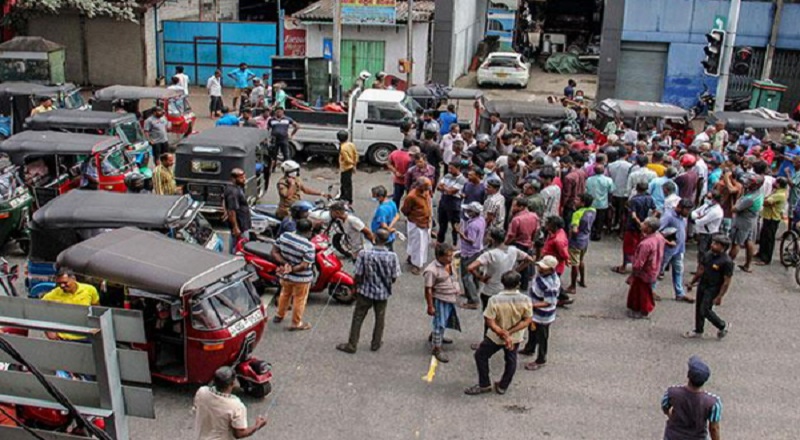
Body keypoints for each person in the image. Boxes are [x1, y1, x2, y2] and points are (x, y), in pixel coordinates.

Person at [464, 271, 533, 396]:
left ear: (502, 283)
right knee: (511, 360)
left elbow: (489, 320)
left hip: (495, 337)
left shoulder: (494, 300)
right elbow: (527, 320)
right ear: (518, 284)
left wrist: (501, 332)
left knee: (481, 355)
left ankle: (484, 384)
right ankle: (503, 386)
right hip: (515, 338)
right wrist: (509, 333)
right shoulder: (525, 299)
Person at [336, 229, 401, 353]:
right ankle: (376, 342)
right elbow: (394, 277)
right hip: (382, 293)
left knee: (358, 317)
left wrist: (355, 289)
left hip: (365, 291)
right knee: (380, 318)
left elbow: (358, 275)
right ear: (387, 241)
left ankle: (352, 344)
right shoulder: (392, 256)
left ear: (374, 238)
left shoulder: (364, 254)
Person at [193, 366, 267, 440]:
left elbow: (197, 408)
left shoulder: (202, 392)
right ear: (232, 383)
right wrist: (257, 426)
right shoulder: (236, 406)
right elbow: (239, 434)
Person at [684, 235, 733, 340]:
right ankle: (698, 330)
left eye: (716, 244)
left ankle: (722, 325)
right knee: (698, 308)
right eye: (713, 243)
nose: (712, 245)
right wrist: (692, 282)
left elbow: (726, 281)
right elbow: (700, 270)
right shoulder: (708, 255)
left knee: (705, 309)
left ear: (723, 247)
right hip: (703, 284)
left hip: (713, 288)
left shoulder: (727, 262)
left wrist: (720, 296)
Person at [660, 356, 722, 440]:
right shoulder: (713, 403)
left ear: (688, 375)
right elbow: (714, 428)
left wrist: (670, 415)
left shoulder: (672, 392)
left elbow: (664, 406)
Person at [271, 218, 316, 331]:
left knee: (285, 294)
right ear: (309, 231)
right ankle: (296, 323)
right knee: (299, 299)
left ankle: (279, 315)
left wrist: (285, 264)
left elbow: (274, 251)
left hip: (285, 275)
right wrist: (292, 269)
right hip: (301, 278)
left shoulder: (285, 236)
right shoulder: (309, 246)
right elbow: (304, 265)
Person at [423, 242, 462, 363]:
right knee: (439, 324)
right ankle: (437, 348)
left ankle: (436, 337)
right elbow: (428, 289)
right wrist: (430, 306)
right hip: (440, 299)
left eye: (451, 256)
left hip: (450, 298)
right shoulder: (431, 270)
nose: (450, 258)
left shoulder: (449, 265)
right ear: (439, 257)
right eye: (448, 256)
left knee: (444, 320)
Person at [520, 255, 560, 371]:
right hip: (535, 312)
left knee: (542, 336)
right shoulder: (541, 275)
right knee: (532, 330)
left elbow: (549, 302)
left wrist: (530, 305)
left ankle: (541, 359)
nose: (540, 269)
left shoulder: (551, 284)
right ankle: (530, 348)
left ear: (551, 269)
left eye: (543, 268)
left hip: (543, 315)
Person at [42, 268, 100, 340]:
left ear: (74, 279)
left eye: (65, 282)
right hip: (64, 338)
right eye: (59, 283)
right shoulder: (53, 295)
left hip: (87, 336)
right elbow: (39, 311)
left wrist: (96, 329)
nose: (62, 286)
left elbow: (97, 310)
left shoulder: (90, 290)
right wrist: (49, 332)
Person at [626, 217, 666, 319]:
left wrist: (633, 273)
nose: (642, 224)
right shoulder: (659, 237)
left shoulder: (646, 244)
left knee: (642, 293)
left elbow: (639, 263)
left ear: (649, 228)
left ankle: (642, 310)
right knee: (644, 290)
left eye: (644, 223)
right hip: (654, 268)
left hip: (644, 272)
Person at [658, 199, 695, 303]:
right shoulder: (668, 216)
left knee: (678, 270)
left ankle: (680, 293)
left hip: (679, 249)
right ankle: (650, 290)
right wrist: (667, 242)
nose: (688, 213)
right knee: (658, 270)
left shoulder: (683, 217)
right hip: (667, 249)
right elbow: (657, 231)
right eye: (686, 210)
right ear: (679, 207)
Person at [614, 182, 655, 274]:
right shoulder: (650, 198)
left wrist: (640, 223)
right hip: (644, 226)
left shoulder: (634, 200)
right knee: (640, 246)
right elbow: (656, 211)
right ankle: (639, 264)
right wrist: (648, 221)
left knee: (628, 247)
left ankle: (624, 266)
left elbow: (633, 215)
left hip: (633, 227)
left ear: (637, 189)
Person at [729, 174, 764, 273]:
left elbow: (734, 209)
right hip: (751, 220)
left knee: (736, 243)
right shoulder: (759, 192)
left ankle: (727, 264)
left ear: (756, 185)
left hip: (743, 221)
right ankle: (747, 265)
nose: (747, 184)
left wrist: (736, 199)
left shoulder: (750, 198)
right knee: (749, 241)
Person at [505, 197, 539, 291]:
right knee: (526, 264)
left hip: (518, 244)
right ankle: (525, 284)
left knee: (517, 266)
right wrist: (532, 241)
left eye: (514, 206)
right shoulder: (534, 216)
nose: (512, 208)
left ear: (521, 207)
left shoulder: (516, 219)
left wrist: (505, 244)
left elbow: (511, 236)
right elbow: (536, 231)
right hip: (528, 243)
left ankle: (516, 284)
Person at [401, 177, 433, 274]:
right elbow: (405, 210)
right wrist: (414, 217)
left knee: (421, 243)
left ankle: (411, 256)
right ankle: (417, 265)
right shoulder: (411, 196)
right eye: (427, 186)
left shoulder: (426, 193)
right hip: (416, 223)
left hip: (426, 222)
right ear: (420, 186)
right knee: (418, 244)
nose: (429, 188)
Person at [456, 202, 486, 306]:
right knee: (474, 274)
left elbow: (471, 240)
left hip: (469, 252)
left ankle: (473, 300)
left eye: (469, 210)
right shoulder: (481, 220)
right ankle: (472, 291)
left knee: (466, 276)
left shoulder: (473, 225)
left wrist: (460, 233)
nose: (467, 212)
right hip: (478, 250)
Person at [566, 193, 596, 293]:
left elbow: (574, 229)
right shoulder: (593, 210)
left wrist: (571, 235)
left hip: (576, 241)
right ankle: (582, 280)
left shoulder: (577, 214)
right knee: (581, 260)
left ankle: (573, 286)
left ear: (583, 203)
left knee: (575, 263)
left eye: (578, 200)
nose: (575, 201)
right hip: (586, 239)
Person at [755, 177, 788, 265]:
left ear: (779, 184)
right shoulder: (776, 192)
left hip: (772, 219)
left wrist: (765, 200)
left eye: (776, 182)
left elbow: (766, 201)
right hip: (767, 217)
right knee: (763, 236)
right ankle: (760, 253)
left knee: (769, 239)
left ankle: (766, 259)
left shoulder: (780, 194)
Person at [436, 162, 467, 245]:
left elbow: (452, 191)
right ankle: (440, 241)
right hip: (443, 201)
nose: (449, 170)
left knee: (455, 226)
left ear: (458, 168)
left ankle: (455, 243)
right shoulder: (447, 175)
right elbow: (439, 187)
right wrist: (447, 189)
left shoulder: (462, 179)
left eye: (451, 168)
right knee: (442, 223)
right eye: (449, 168)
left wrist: (445, 188)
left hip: (454, 204)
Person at [692, 191, 724, 265]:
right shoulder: (706, 206)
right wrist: (698, 216)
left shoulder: (716, 211)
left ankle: (704, 270)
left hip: (709, 234)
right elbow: (693, 213)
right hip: (702, 232)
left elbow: (701, 221)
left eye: (709, 198)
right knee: (701, 253)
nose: (707, 199)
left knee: (706, 253)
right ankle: (700, 269)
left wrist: (698, 217)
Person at [223, 168, 251, 253]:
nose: (244, 179)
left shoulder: (238, 188)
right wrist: (235, 227)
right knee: (240, 247)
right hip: (240, 225)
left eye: (244, 177)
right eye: (241, 178)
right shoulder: (233, 192)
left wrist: (224, 210)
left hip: (243, 224)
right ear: (234, 179)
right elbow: (232, 211)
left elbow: (223, 200)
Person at [585, 164, 615, 240]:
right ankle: (598, 234)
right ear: (603, 171)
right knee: (600, 220)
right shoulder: (608, 180)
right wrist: (610, 202)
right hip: (603, 203)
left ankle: (592, 233)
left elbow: (586, 190)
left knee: (592, 219)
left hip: (591, 203)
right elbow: (611, 191)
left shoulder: (589, 180)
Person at [370, 185, 400, 251]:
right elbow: (397, 216)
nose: (373, 198)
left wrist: (388, 229)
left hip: (381, 237)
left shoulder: (381, 209)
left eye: (374, 196)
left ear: (380, 197)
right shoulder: (392, 203)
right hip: (390, 237)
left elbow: (383, 225)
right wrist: (390, 226)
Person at [386, 140, 413, 209]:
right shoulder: (411, 157)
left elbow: (388, 163)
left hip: (398, 180)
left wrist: (395, 172)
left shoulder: (394, 153)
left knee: (396, 198)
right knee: (410, 199)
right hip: (409, 181)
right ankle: (409, 214)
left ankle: (395, 213)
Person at [338, 130, 358, 205]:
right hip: (350, 167)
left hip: (345, 168)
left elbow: (347, 159)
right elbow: (356, 154)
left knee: (345, 183)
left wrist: (352, 164)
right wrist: (355, 164)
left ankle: (347, 199)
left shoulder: (342, 148)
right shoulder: (351, 144)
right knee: (346, 183)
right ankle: (343, 196)